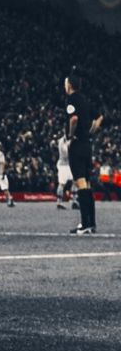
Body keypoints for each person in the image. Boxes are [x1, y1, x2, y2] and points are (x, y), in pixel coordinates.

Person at [64, 70, 103, 236]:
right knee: (86, 184)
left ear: (70, 85)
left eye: (65, 83)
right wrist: (90, 131)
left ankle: (85, 224)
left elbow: (73, 119)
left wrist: (71, 136)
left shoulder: (72, 99)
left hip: (78, 145)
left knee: (80, 184)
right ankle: (91, 223)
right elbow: (99, 117)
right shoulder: (85, 100)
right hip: (87, 145)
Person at [56, 133, 73, 208]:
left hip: (69, 164)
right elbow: (66, 154)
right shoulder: (61, 142)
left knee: (75, 181)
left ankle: (74, 201)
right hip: (63, 165)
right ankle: (59, 202)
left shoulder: (69, 140)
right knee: (62, 183)